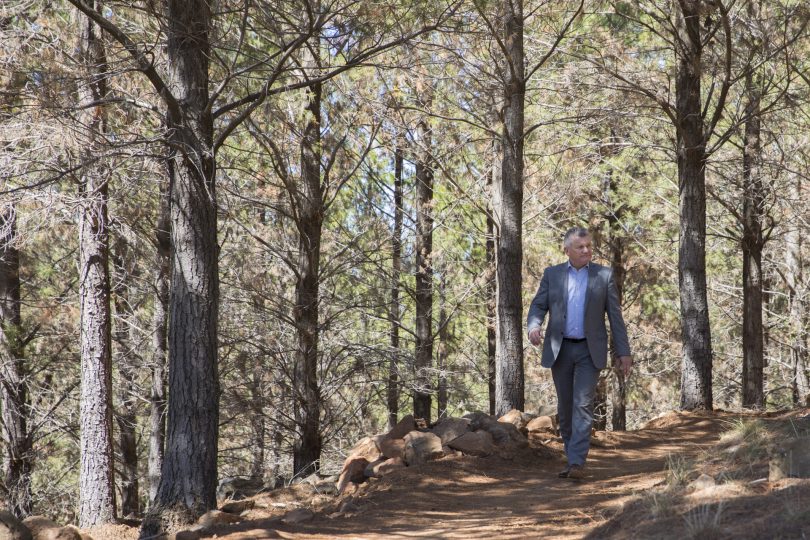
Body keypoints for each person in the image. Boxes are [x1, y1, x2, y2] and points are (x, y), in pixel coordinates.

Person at [527, 226, 632, 480]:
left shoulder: (603, 276)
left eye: (589, 246)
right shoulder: (552, 275)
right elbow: (538, 305)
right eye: (580, 247)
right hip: (559, 348)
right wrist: (534, 325)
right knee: (565, 408)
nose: (587, 251)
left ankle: (576, 463)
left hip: (589, 349)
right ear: (567, 250)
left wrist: (623, 352)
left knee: (583, 404)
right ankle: (571, 456)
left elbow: (615, 318)